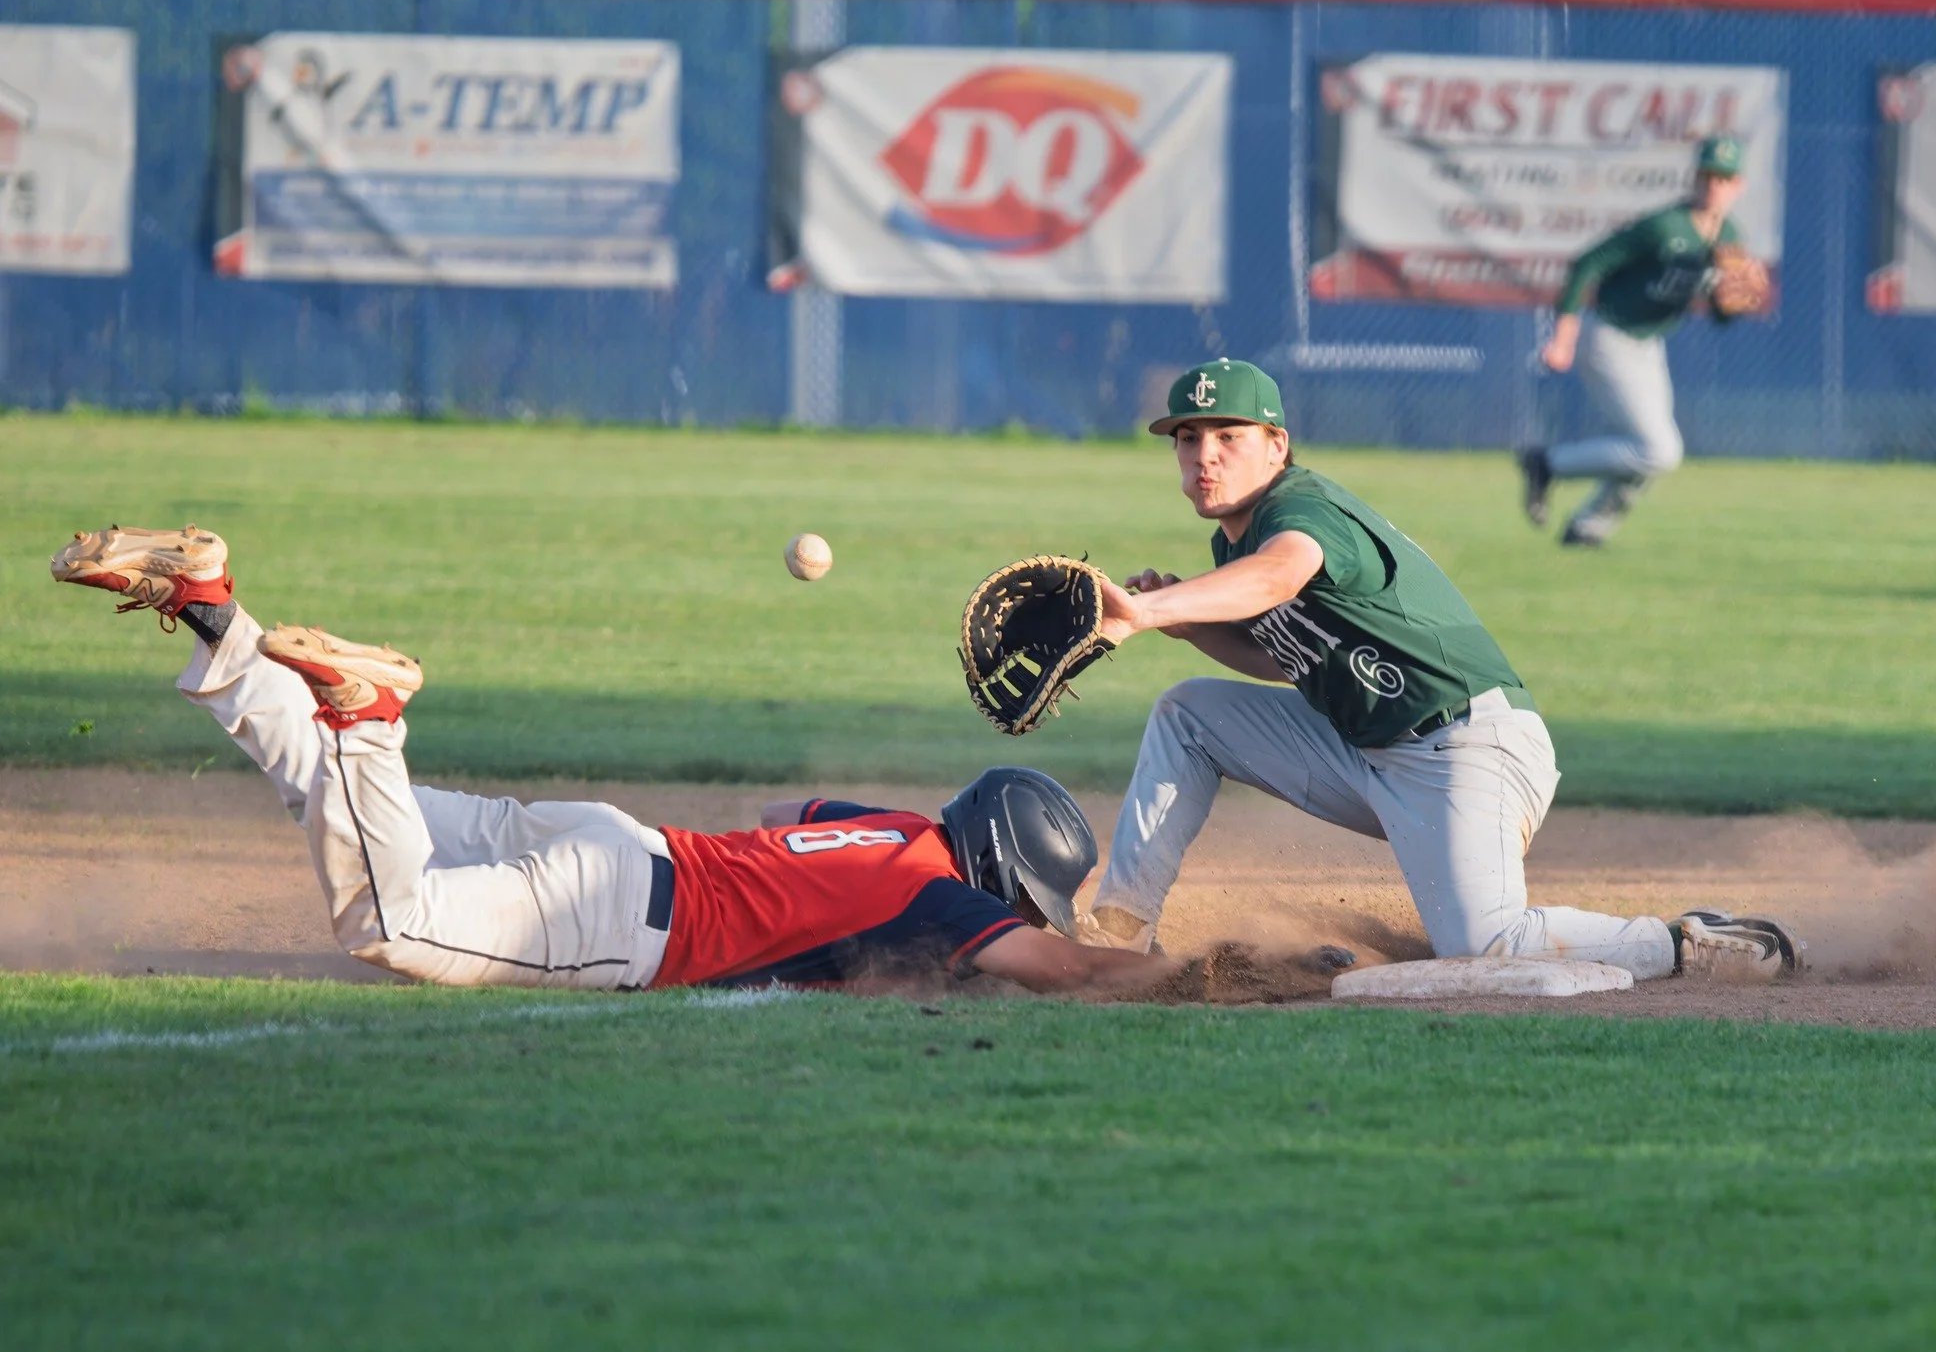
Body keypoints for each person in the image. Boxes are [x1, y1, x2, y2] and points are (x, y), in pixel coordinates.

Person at [50, 524, 1161, 997]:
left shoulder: (886, 830)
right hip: (611, 917)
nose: (1017, 920)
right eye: (1019, 900)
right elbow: (1058, 971)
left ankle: (209, 607)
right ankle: (369, 712)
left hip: (615, 837)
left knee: (332, 794)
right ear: (995, 872)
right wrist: (1194, 978)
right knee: (388, 923)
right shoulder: (930, 898)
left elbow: (784, 812)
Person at [1078, 358, 1798, 981]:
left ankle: (1686, 944)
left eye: (1230, 438)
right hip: (1366, 749)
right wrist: (1189, 624)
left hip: (1466, 745)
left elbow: (1279, 577)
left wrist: (1155, 610)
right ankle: (1120, 934)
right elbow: (1282, 655)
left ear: (1277, 447)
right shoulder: (1230, 546)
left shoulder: (1299, 509)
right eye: (1189, 438)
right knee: (1190, 714)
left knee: (1486, 944)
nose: (1206, 455)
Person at [1517, 134, 1757, 548]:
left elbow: (1720, 315)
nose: (1714, 185)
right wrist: (1564, 337)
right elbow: (1587, 264)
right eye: (1707, 175)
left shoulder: (1729, 235)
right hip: (1609, 335)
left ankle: (1588, 527)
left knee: (1650, 453)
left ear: (1739, 186)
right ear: (1695, 178)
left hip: (1648, 345)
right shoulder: (1664, 226)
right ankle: (1547, 465)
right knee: (1660, 451)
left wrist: (1731, 305)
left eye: (1724, 178)